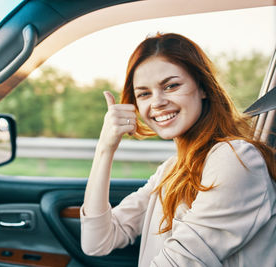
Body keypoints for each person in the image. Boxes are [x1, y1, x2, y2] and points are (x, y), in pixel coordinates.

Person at [80, 33, 276, 266]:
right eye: (144, 93)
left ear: (203, 88)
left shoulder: (235, 158)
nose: (157, 102)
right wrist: (105, 148)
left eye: (171, 86)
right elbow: (97, 241)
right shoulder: (171, 169)